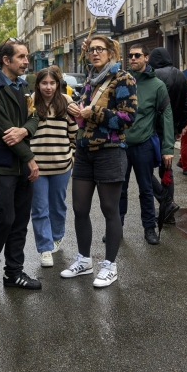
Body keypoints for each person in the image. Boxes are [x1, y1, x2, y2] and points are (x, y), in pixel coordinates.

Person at [63, 36, 137, 287]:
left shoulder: (123, 78)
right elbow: (84, 110)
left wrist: (92, 112)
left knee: (109, 210)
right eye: (92, 50)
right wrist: (76, 110)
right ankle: (84, 260)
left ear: (111, 51)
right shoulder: (91, 79)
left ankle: (110, 265)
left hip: (110, 150)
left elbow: (128, 118)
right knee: (80, 208)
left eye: (100, 49)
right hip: (84, 150)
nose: (95, 53)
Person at [0, 38, 41, 292]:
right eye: (22, 57)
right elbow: (4, 130)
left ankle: (13, 272)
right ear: (6, 60)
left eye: (26, 57)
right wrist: (30, 158)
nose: (27, 61)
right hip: (2, 163)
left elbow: (35, 117)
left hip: (21, 162)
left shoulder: (24, 85)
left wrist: (26, 130)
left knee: (20, 222)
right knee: (5, 218)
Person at [119, 44, 174, 245]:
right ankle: (117, 227)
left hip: (143, 145)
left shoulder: (157, 85)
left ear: (146, 58)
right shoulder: (122, 82)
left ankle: (149, 228)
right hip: (121, 146)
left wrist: (168, 148)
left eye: (137, 55)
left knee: (146, 190)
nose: (132, 58)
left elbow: (167, 116)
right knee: (119, 190)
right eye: (130, 55)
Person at [30, 68, 78, 267]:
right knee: (40, 208)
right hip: (37, 167)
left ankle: (57, 236)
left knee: (58, 206)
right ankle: (45, 248)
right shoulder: (30, 102)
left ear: (58, 84)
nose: (48, 87)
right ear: (38, 85)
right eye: (44, 83)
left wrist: (71, 156)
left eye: (52, 83)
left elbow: (74, 132)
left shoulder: (66, 102)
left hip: (61, 165)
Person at [148, 47, 187, 220]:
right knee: (167, 171)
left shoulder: (153, 75)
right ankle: (169, 212)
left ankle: (166, 203)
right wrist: (179, 128)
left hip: (152, 130)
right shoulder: (181, 75)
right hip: (170, 130)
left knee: (144, 170)